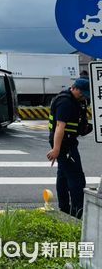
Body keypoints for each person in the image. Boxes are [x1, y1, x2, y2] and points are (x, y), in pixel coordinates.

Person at [46, 78, 90, 218]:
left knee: (63, 175)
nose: (83, 96)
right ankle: (78, 213)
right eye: (82, 93)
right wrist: (56, 149)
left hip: (67, 142)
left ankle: (65, 209)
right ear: (74, 88)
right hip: (65, 144)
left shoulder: (73, 100)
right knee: (77, 178)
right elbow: (60, 126)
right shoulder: (65, 102)